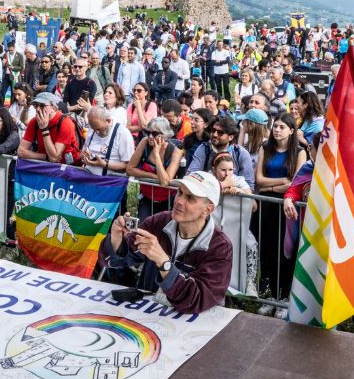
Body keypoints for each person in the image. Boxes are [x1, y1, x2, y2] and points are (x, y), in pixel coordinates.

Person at [98, 170, 233, 314]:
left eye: (190, 198)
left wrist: (164, 263)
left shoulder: (220, 247)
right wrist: (116, 239)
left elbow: (196, 300)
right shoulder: (159, 222)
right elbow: (112, 261)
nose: (179, 201)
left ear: (207, 210)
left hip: (194, 326)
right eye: (180, 192)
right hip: (149, 313)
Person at [254, 112, 307, 309]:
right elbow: (259, 179)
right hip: (266, 204)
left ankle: (285, 296)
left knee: (286, 250)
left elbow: (296, 183)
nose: (277, 130)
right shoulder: (265, 147)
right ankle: (272, 296)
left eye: (282, 127)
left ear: (291, 131)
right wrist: (280, 184)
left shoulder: (300, 152)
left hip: (288, 206)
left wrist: (272, 187)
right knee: (268, 250)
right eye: (275, 126)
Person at [211, 151, 259, 295]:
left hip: (236, 226)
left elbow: (254, 206)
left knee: (251, 245)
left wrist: (239, 191)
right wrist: (222, 185)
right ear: (215, 169)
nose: (227, 174)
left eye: (230, 170)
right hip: (212, 226)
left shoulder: (239, 180)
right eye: (223, 170)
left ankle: (250, 282)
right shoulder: (209, 178)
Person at [127, 117, 183, 217]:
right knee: (142, 229)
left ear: (165, 135)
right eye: (148, 132)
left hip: (168, 200)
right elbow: (130, 169)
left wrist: (157, 154)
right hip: (147, 198)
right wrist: (153, 176)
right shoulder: (144, 142)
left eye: (155, 134)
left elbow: (165, 181)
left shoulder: (175, 152)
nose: (150, 136)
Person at [17, 91, 81, 165]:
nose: (37, 109)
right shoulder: (34, 122)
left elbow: (54, 158)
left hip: (67, 167)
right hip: (45, 165)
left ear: (53, 108)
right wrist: (44, 156)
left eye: (42, 105)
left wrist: (44, 130)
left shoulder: (66, 122)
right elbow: (21, 151)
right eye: (35, 105)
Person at [81, 106, 135, 176]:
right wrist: (84, 156)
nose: (96, 132)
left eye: (99, 129)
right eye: (94, 129)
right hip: (88, 176)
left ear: (108, 121)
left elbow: (128, 166)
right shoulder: (92, 129)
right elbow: (83, 152)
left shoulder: (122, 133)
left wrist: (105, 164)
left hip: (109, 182)